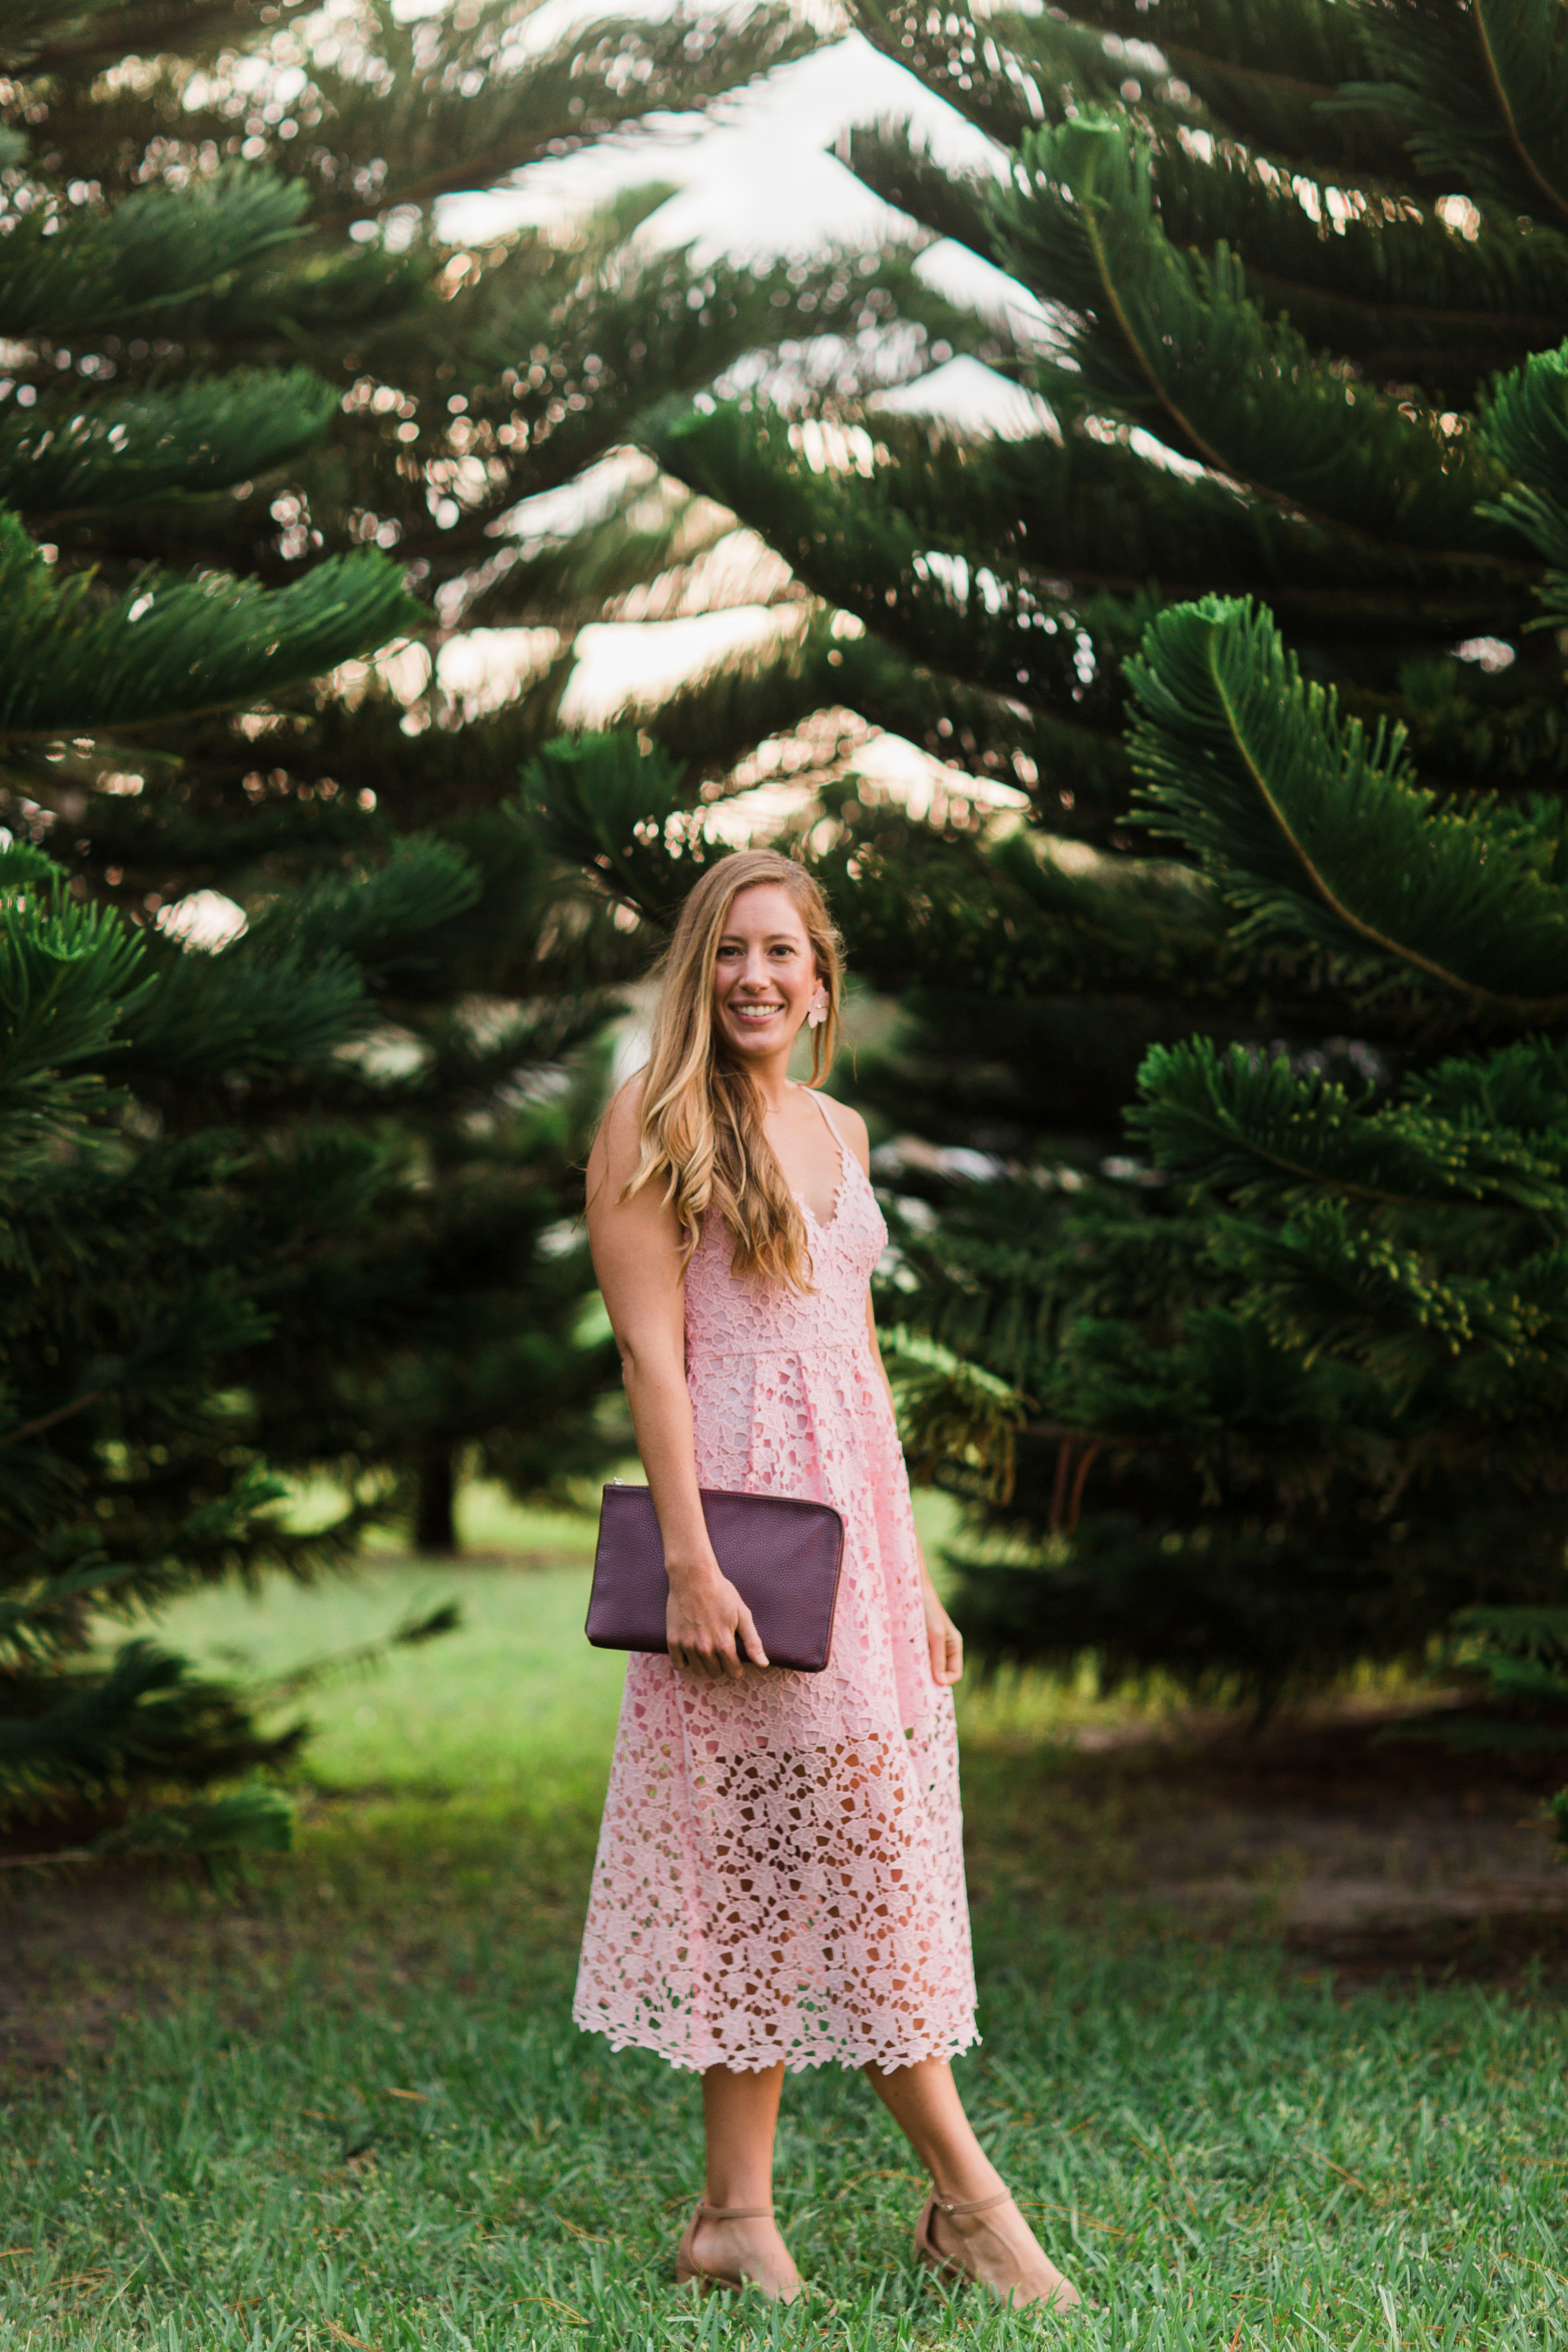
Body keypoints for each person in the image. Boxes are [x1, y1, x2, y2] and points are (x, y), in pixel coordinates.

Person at [574, 849, 1079, 2312]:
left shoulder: (840, 1126)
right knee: (840, 1853)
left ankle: (735, 2218)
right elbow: (652, 1355)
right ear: (697, 971)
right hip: (736, 1539)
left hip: (850, 1531)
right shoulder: (652, 1120)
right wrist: (687, 1560)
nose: (754, 977)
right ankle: (971, 2201)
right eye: (729, 952)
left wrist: (909, 1573)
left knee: (786, 1858)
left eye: (781, 952)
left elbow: (854, 1365)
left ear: (821, 979)